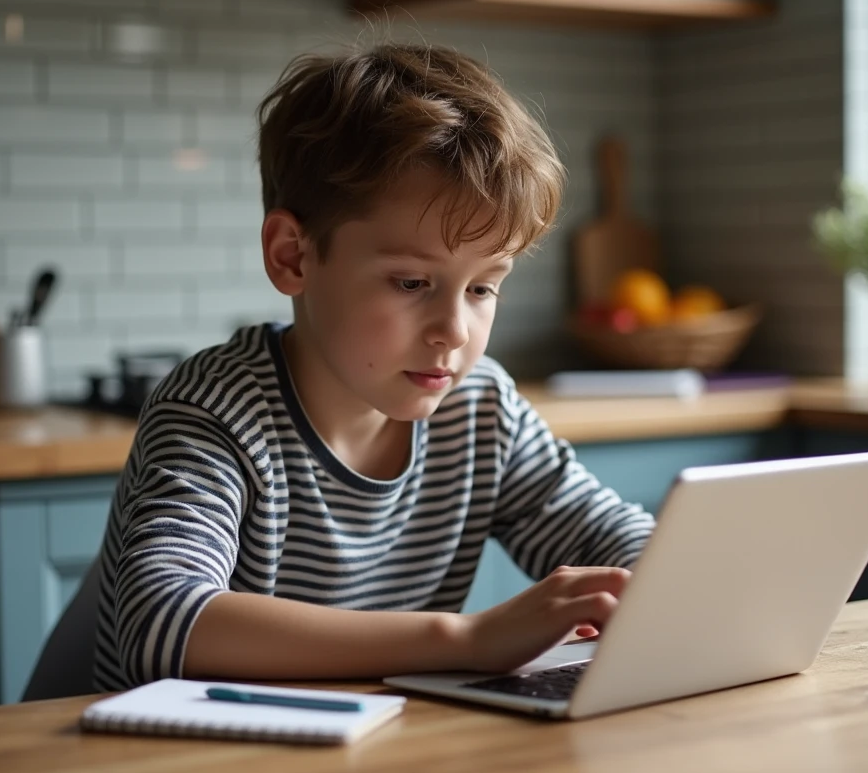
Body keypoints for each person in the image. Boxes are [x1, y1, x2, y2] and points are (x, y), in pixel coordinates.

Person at [93, 40, 656, 692]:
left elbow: (615, 538)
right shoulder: (216, 412)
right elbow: (158, 625)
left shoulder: (480, 408)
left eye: (482, 287)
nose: (454, 331)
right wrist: (467, 638)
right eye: (413, 283)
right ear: (293, 257)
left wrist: (654, 582)